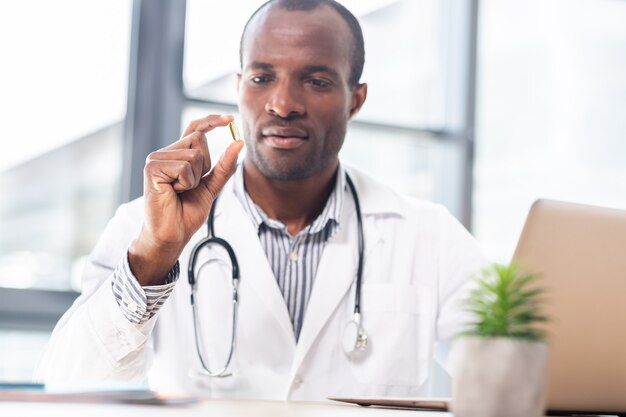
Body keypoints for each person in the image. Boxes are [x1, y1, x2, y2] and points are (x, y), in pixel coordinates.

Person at [35, 0, 486, 400]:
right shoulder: (144, 227)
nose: (283, 103)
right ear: (238, 87)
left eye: (316, 80)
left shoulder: (429, 235)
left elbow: (520, 372)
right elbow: (67, 385)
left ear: (356, 99)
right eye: (261, 76)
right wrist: (154, 256)